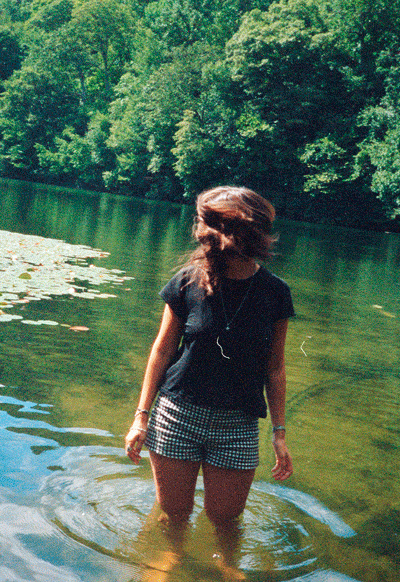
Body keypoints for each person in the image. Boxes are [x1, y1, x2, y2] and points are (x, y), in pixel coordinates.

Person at [125, 186, 294, 580]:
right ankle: (170, 559)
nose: (202, 232)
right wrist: (141, 417)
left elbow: (275, 369)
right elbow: (162, 351)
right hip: (177, 415)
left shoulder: (275, 294)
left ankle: (228, 566)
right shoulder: (187, 282)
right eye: (205, 223)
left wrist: (279, 434)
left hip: (237, 424)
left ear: (244, 232)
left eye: (213, 224)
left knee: (225, 518)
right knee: (174, 513)